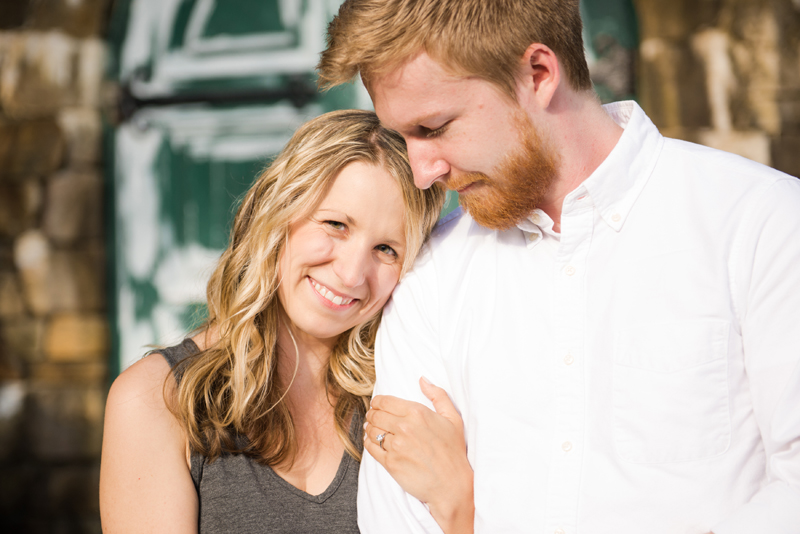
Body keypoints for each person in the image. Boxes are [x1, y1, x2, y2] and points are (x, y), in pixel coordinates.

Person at [317, 1, 800, 533]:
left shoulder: (763, 223)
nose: (423, 173)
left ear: (539, 74)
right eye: (404, 136)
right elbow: (399, 520)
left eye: (434, 127)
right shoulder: (430, 276)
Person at [99, 109, 448, 533]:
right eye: (336, 225)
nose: (352, 274)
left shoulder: (406, 394)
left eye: (387, 249)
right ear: (279, 212)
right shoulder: (156, 400)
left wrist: (454, 501)